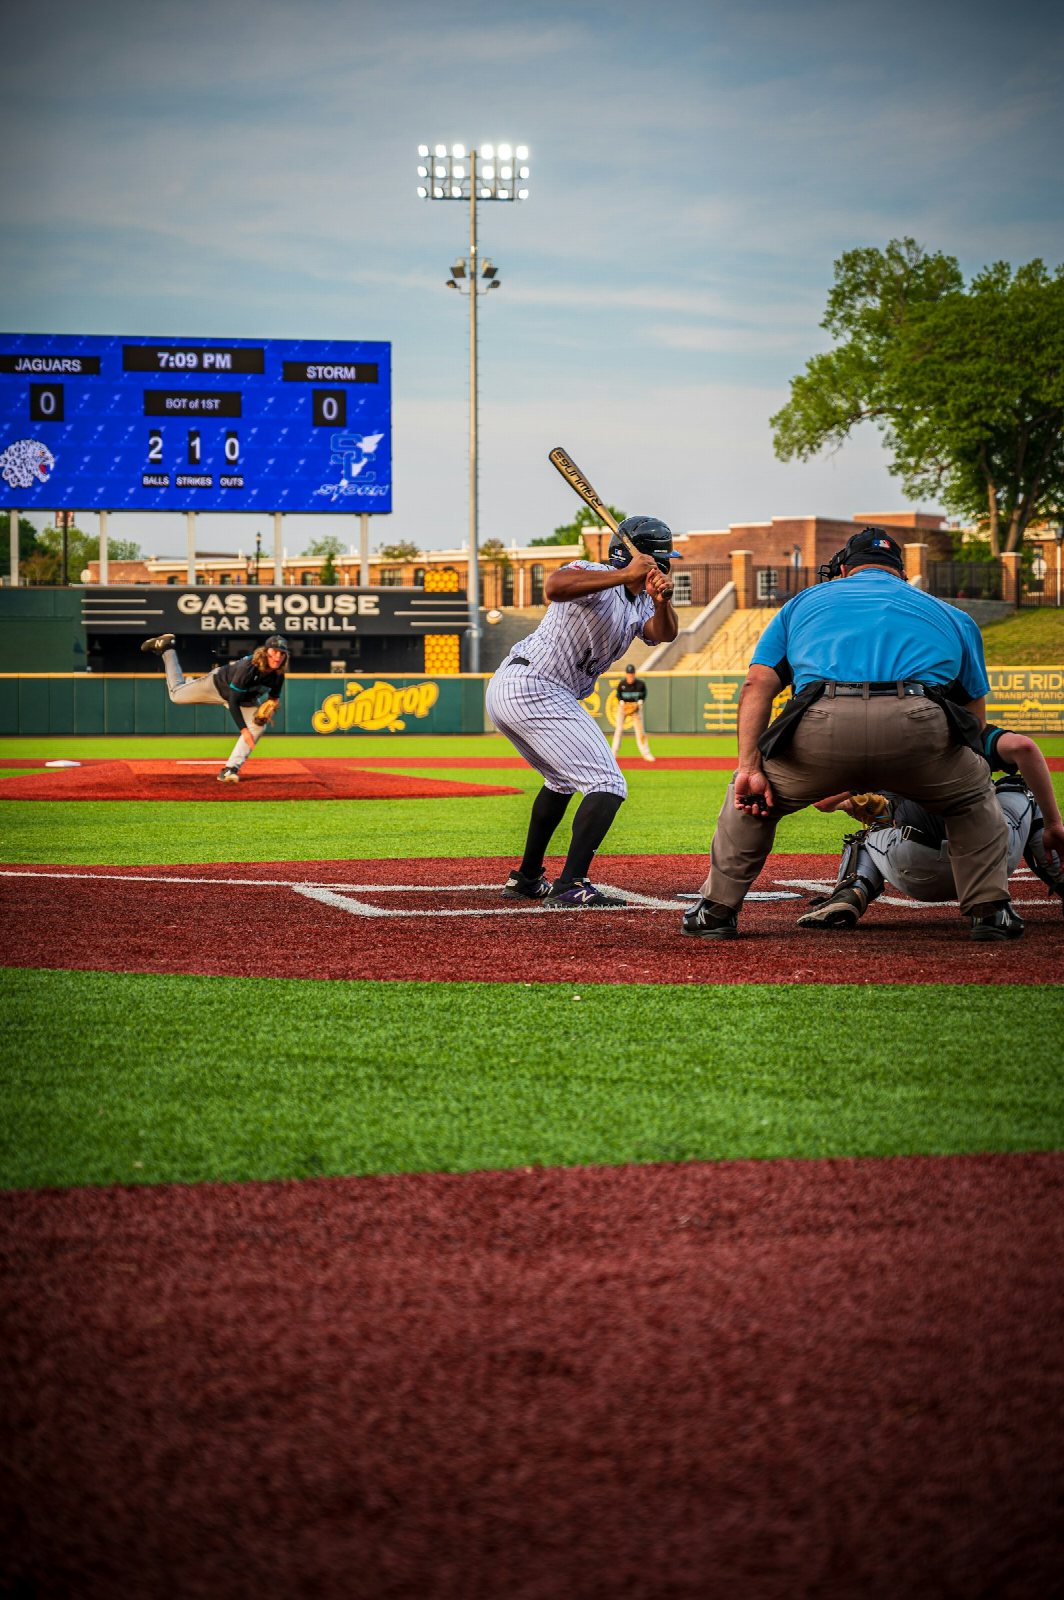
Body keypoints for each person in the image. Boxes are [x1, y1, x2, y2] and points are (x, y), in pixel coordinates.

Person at [681, 525, 1021, 943]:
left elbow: (757, 685)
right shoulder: (953, 614)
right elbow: (975, 720)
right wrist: (954, 776)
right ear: (899, 572)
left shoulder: (803, 602)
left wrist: (749, 767)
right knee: (972, 796)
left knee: (753, 799)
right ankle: (991, 911)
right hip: (916, 724)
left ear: (843, 568)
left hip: (821, 724)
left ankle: (716, 910)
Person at [486, 516, 679, 907]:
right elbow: (555, 586)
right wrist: (623, 573)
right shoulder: (595, 573)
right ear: (638, 558)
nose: (666, 566)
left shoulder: (640, 600)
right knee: (608, 783)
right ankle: (571, 883)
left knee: (560, 783)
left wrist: (662, 601)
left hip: (532, 688)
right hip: (535, 684)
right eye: (661, 560)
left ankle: (526, 877)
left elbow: (664, 634)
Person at [797, 725, 1064, 927]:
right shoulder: (968, 727)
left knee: (870, 834)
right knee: (1021, 789)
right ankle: (1057, 877)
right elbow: (1024, 748)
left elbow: (822, 801)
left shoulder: (887, 746)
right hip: (990, 863)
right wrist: (1054, 825)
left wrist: (862, 782)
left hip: (916, 871)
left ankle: (851, 892)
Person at [141, 632, 289, 782]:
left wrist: (271, 708)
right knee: (176, 696)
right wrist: (244, 730)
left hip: (245, 699)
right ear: (266, 651)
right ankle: (167, 648)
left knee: (258, 727)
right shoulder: (249, 667)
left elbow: (273, 699)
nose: (277, 656)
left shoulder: (278, 674)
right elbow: (233, 701)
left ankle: (230, 769)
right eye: (274, 651)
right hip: (217, 686)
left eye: (282, 653)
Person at [612, 664, 655, 762]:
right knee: (618, 730)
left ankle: (646, 753)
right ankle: (613, 753)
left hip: (635, 707)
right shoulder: (622, 684)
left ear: (634, 674)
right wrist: (622, 701)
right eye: (629, 674)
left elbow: (644, 694)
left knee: (640, 731)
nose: (630, 676)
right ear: (626, 674)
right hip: (623, 708)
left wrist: (640, 701)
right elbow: (618, 695)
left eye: (631, 674)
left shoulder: (640, 684)